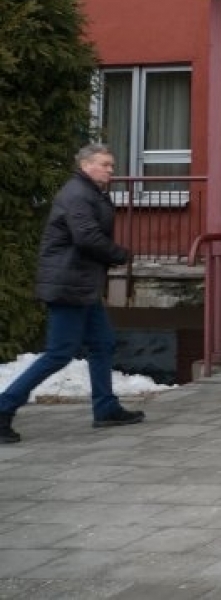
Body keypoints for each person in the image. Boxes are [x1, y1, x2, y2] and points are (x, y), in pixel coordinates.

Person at [0, 144, 146, 444]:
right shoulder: (77, 194)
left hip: (82, 284)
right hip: (68, 284)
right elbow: (86, 236)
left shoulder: (89, 192)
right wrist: (120, 254)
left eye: (111, 164)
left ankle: (106, 408)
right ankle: (3, 407)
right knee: (59, 353)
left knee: (102, 343)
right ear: (85, 165)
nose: (111, 170)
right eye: (105, 164)